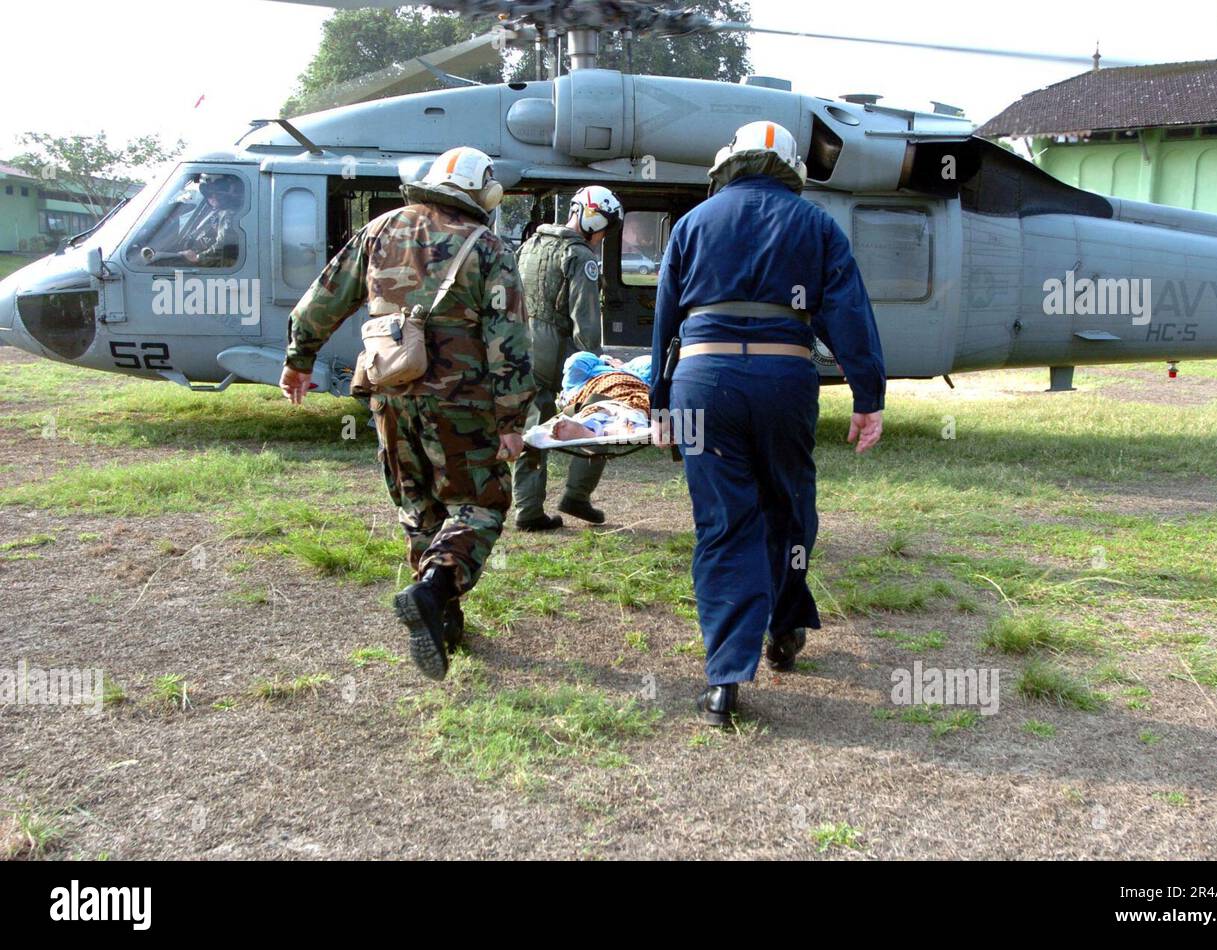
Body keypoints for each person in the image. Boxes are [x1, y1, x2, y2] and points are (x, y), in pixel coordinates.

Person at [649, 120, 887, 726]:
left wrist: (658, 403)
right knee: (789, 507)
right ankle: (785, 627)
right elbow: (849, 312)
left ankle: (724, 677)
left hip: (699, 388)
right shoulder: (817, 225)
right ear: (790, 170)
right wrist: (868, 394)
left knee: (722, 523)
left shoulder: (692, 225)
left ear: (730, 163)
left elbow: (664, 319)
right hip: (785, 383)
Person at [279, 146, 534, 681]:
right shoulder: (487, 247)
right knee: (481, 503)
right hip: (461, 402)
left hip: (388, 393)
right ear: (484, 193)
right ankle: (433, 589)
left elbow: (321, 301)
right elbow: (507, 341)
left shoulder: (380, 230)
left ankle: (444, 622)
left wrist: (299, 360)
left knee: (418, 505)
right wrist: (512, 421)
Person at [512, 185, 624, 530]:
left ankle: (528, 509)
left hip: (521, 345)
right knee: (599, 414)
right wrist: (595, 366)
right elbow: (586, 323)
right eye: (605, 227)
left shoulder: (530, 244)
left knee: (531, 427)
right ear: (593, 218)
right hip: (556, 350)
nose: (604, 236)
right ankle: (577, 495)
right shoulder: (581, 257)